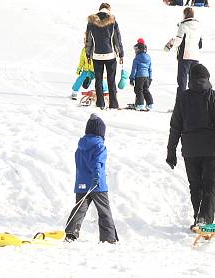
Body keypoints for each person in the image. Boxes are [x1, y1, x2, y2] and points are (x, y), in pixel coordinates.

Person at [166, 64, 215, 229]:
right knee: (210, 186)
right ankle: (204, 219)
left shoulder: (183, 98)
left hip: (190, 151)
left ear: (191, 79)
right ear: (207, 78)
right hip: (211, 150)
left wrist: (171, 152)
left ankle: (199, 217)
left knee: (196, 186)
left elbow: (175, 127)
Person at [65, 114, 118, 243]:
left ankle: (71, 233)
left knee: (80, 208)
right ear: (100, 132)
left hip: (81, 184)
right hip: (97, 184)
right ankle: (109, 238)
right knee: (104, 211)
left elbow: (80, 165)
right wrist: (97, 178)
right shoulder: (99, 146)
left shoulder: (80, 147)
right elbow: (98, 164)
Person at [86, 3, 124, 109]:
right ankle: (113, 104)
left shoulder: (91, 21)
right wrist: (121, 54)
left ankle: (100, 103)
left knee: (98, 80)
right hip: (110, 55)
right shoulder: (112, 21)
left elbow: (89, 40)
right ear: (108, 10)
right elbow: (117, 39)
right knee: (111, 80)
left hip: (96, 55)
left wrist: (88, 54)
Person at [165, 7, 203, 99]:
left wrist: (169, 44)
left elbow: (178, 41)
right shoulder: (199, 26)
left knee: (182, 82)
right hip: (195, 56)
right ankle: (193, 105)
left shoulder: (183, 25)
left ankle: (180, 106)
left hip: (185, 56)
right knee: (193, 81)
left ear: (185, 14)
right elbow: (200, 44)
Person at [72, 35, 108, 100]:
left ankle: (105, 91)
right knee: (80, 78)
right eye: (85, 41)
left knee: (100, 79)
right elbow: (82, 60)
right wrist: (79, 68)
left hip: (96, 70)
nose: (86, 43)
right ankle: (75, 91)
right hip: (86, 70)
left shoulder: (96, 49)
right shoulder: (84, 50)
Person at [130, 38, 154, 111]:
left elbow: (134, 69)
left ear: (139, 50)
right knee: (146, 90)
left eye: (136, 49)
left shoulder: (136, 58)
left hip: (139, 77)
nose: (135, 51)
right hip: (146, 77)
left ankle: (140, 104)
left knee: (139, 90)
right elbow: (150, 69)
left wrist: (132, 78)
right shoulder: (148, 58)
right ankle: (150, 104)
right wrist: (150, 78)